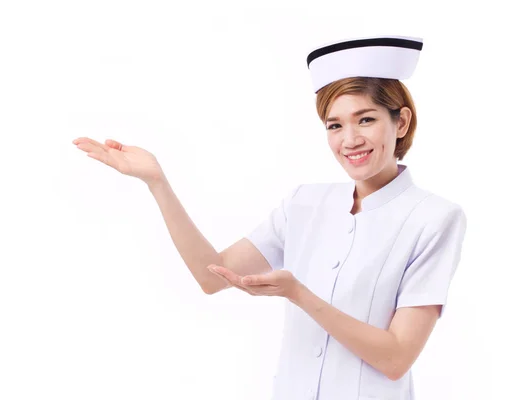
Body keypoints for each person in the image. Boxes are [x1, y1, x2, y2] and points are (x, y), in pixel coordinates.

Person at [72, 35, 467, 400]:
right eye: (335, 125)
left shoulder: (434, 219)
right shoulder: (304, 203)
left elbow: (396, 358)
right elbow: (213, 275)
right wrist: (157, 182)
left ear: (401, 122)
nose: (350, 140)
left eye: (365, 119)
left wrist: (299, 293)